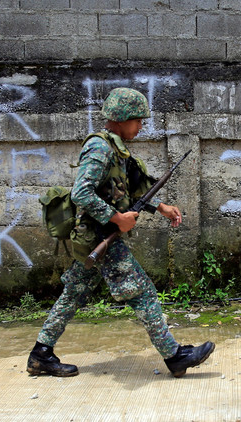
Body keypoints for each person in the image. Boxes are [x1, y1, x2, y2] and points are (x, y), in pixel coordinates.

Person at [27, 87, 214, 378]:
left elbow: (129, 189)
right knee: (143, 292)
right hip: (100, 237)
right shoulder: (100, 148)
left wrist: (160, 207)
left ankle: (40, 355)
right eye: (138, 120)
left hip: (96, 237)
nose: (141, 126)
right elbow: (81, 193)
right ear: (122, 118)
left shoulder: (116, 149)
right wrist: (117, 218)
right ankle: (175, 356)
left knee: (74, 293)